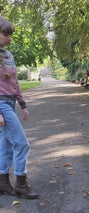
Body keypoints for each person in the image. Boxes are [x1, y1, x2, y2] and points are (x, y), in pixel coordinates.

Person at [0, 16, 38, 199]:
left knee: (6, 146)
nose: (9, 38)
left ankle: (3, 182)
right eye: (5, 34)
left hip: (10, 103)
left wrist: (23, 105)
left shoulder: (9, 56)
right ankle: (21, 184)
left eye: (11, 34)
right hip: (1, 106)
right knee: (22, 144)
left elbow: (15, 84)